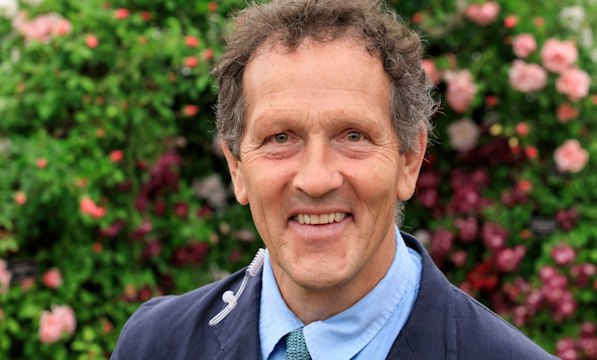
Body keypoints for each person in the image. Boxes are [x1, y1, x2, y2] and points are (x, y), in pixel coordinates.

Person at [111, 0, 558, 359]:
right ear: (236, 167)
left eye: (353, 136)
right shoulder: (155, 344)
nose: (316, 179)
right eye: (280, 137)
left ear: (409, 160)